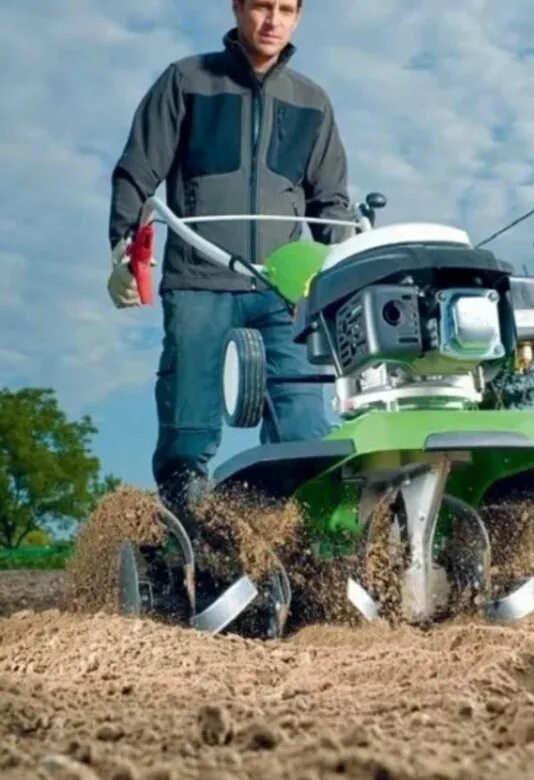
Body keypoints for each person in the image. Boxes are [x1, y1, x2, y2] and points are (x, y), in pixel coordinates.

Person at [106, 0, 353, 524]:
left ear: (299, 16)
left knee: (305, 425)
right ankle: (188, 529)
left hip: (285, 288)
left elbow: (330, 203)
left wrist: (340, 276)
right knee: (188, 421)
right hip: (200, 278)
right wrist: (125, 253)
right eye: (262, 6)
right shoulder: (186, 81)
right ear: (239, 7)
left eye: (286, 9)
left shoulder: (313, 102)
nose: (273, 21)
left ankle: (292, 533)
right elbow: (137, 172)